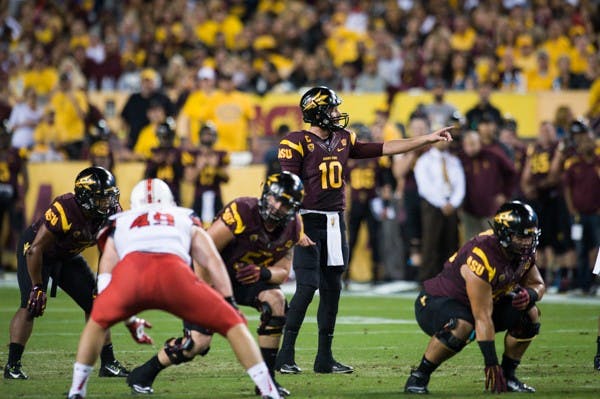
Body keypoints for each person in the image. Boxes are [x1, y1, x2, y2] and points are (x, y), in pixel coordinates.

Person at [275, 86, 453, 374]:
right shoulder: (296, 142)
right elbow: (288, 188)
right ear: (316, 112)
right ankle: (284, 355)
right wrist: (295, 227)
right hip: (307, 219)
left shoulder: (344, 139)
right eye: (331, 109)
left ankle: (324, 358)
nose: (336, 114)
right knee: (306, 288)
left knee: (333, 290)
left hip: (335, 222)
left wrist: (427, 139)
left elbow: (385, 147)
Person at [66, 178, 282, 399]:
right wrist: (228, 301)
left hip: (132, 276)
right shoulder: (183, 217)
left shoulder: (120, 221)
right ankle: (268, 390)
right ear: (170, 201)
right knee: (235, 325)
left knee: (97, 322)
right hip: (174, 276)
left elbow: (105, 277)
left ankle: (77, 389)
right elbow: (212, 261)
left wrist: (128, 319)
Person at [126, 172, 304, 397]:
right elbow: (203, 253)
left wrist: (263, 272)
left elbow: (283, 272)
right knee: (196, 344)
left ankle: (266, 382)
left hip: (242, 280)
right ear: (265, 195)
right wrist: (210, 295)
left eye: (285, 204)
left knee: (276, 301)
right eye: (274, 199)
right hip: (206, 276)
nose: (277, 206)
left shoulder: (294, 226)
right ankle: (143, 374)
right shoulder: (242, 212)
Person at [4, 166, 135, 380]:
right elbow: (36, 249)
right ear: (85, 197)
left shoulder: (111, 212)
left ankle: (108, 363)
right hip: (37, 252)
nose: (108, 203)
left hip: (67, 255)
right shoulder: (64, 208)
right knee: (30, 305)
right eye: (102, 198)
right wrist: (37, 286)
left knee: (96, 303)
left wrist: (102, 282)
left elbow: (108, 249)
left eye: (110, 197)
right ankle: (12, 366)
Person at [404, 201, 544, 394]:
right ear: (504, 232)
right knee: (462, 325)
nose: (527, 242)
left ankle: (509, 376)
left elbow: (538, 284)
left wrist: (530, 295)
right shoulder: (482, 253)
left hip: (478, 305)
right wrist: (490, 362)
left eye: (530, 235)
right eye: (521, 236)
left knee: (530, 314)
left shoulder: (522, 251)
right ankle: (419, 377)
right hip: (436, 302)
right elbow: (482, 317)